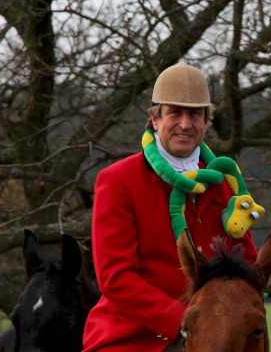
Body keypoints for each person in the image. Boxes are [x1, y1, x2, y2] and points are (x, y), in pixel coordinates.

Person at [82, 62, 259, 352]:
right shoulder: (117, 180)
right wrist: (185, 321)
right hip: (133, 339)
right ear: (154, 119)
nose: (185, 124)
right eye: (174, 113)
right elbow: (116, 279)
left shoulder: (224, 182)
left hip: (214, 338)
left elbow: (247, 263)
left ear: (207, 121)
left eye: (195, 115)